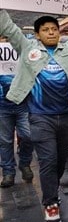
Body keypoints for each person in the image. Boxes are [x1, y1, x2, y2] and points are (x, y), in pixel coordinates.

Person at [0, 9, 68, 222]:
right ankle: (50, 203)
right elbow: (8, 28)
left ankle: (52, 187)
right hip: (40, 118)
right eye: (45, 30)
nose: (51, 33)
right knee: (48, 160)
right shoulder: (27, 47)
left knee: (58, 161)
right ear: (38, 35)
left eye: (54, 29)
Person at [0, 51, 34, 187]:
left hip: (23, 103)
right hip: (2, 106)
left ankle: (25, 163)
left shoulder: (22, 50)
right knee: (5, 141)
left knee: (28, 136)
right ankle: (8, 172)